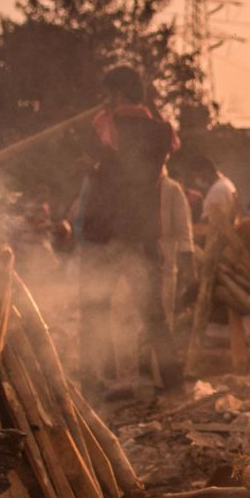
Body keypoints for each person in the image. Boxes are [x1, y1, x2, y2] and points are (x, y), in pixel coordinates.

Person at [78, 65, 182, 389]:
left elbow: (97, 159)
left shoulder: (106, 126)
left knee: (95, 308)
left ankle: (103, 380)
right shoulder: (162, 130)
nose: (105, 100)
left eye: (109, 93)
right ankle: (172, 382)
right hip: (143, 235)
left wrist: (99, 130)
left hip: (106, 235)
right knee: (153, 315)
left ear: (119, 93)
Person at [158, 169, 195, 328]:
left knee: (164, 319)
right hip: (138, 268)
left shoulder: (172, 189)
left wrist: (190, 272)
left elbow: (184, 232)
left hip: (165, 268)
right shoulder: (135, 188)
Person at [186, 154, 237, 227]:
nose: (198, 180)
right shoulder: (226, 183)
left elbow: (210, 222)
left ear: (206, 170)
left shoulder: (218, 190)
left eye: (197, 176)